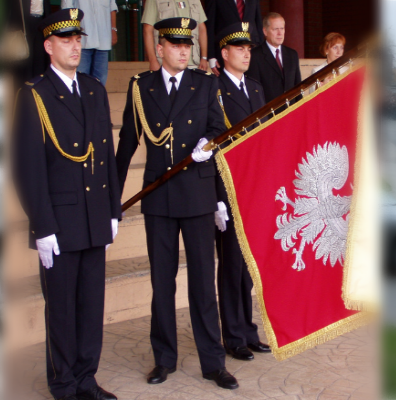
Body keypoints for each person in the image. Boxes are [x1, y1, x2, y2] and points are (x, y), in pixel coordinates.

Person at [115, 17, 236, 390]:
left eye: (188, 45)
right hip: (159, 197)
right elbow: (127, 146)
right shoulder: (141, 87)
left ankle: (213, 362)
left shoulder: (205, 84)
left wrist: (208, 145)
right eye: (177, 45)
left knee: (202, 283)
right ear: (161, 47)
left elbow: (219, 130)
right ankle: (163, 359)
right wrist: (111, 202)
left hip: (197, 196)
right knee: (161, 283)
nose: (185, 51)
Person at [15, 9, 121, 400]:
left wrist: (112, 210)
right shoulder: (35, 95)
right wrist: (42, 227)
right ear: (48, 46)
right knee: (61, 309)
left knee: (91, 306)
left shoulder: (93, 90)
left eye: (78, 39)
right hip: (59, 223)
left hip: (94, 218)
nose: (75, 46)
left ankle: (86, 379)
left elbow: (106, 155)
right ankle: (63, 384)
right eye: (66, 40)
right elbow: (27, 169)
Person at [212, 22, 272, 376]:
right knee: (231, 265)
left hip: (254, 190)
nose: (247, 53)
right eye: (239, 48)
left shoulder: (256, 88)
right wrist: (219, 199)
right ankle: (232, 335)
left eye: (249, 48)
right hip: (230, 189)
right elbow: (217, 148)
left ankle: (248, 330)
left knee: (248, 267)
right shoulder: (215, 90)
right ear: (224, 54)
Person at [140, 0, 208, 73]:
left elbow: (201, 28)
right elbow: (147, 29)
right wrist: (152, 60)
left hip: (193, 63)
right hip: (165, 63)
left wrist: (204, 57)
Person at [63, 0, 118, 84]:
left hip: (103, 38)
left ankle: (98, 97)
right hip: (82, 40)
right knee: (81, 79)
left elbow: (112, 7)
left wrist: (113, 29)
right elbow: (67, 8)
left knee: (100, 80)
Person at [250, 12, 299, 102]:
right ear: (265, 31)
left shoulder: (292, 55)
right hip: (268, 113)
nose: (280, 33)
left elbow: (298, 87)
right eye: (275, 29)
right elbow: (254, 91)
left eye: (282, 28)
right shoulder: (255, 56)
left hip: (291, 111)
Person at [205, 0, 262, 71]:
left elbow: (258, 22)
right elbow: (210, 26)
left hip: (252, 49)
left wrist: (261, 50)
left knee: (252, 81)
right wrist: (211, 56)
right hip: (226, 51)